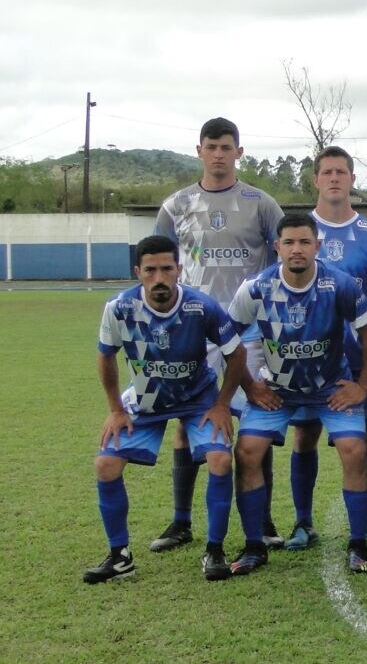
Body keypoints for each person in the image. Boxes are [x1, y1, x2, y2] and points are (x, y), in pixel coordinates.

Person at [153, 116, 285, 552]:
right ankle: (180, 521)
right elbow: (159, 263)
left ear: (239, 152)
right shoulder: (176, 205)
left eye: (226, 147)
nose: (218, 154)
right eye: (211, 147)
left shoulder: (260, 203)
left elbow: (284, 254)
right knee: (186, 420)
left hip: (250, 331)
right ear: (199, 151)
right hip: (195, 331)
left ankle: (262, 519)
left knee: (256, 422)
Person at [226, 214, 367, 575]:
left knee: (354, 449)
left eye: (304, 242)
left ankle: (357, 544)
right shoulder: (255, 288)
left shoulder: (339, 285)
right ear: (277, 247)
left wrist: (362, 386)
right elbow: (227, 337)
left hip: (330, 388)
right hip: (277, 390)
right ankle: (254, 545)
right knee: (247, 451)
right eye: (289, 243)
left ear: (317, 246)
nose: (296, 249)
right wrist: (250, 385)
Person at [85, 236, 246, 583]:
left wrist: (222, 404)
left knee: (220, 459)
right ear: (138, 272)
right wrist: (115, 410)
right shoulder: (119, 308)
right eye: (150, 270)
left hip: (198, 398)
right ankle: (119, 556)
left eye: (166, 269)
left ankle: (214, 550)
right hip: (146, 399)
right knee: (105, 464)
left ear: (179, 269)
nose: (159, 278)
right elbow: (106, 355)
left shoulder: (201, 307)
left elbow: (236, 353)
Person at [277, 147, 367, 551]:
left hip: (361, 356)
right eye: (326, 172)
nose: (334, 179)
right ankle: (303, 522)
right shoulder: (299, 232)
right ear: (315, 179)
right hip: (307, 359)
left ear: (352, 179)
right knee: (305, 434)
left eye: (341, 172)